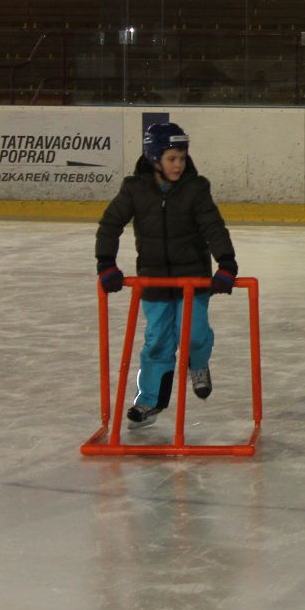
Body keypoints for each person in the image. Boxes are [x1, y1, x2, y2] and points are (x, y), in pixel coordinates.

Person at [95, 122, 238, 429]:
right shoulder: (134, 189)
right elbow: (110, 224)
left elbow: (213, 226)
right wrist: (106, 263)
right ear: (154, 158)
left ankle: (198, 364)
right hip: (154, 280)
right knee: (157, 342)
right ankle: (148, 401)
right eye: (172, 158)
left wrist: (226, 263)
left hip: (193, 278)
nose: (179, 165)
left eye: (182, 158)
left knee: (195, 334)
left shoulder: (195, 188)